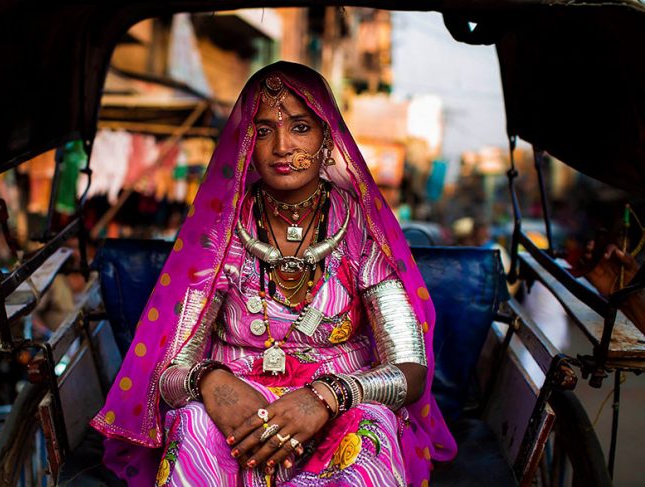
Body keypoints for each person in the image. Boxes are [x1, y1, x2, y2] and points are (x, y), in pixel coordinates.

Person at [91, 62, 456, 487]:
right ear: (246, 143)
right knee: (190, 422)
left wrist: (328, 397)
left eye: (300, 127)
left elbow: (410, 370)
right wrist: (212, 383)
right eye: (263, 131)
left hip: (340, 410)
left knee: (371, 428)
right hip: (238, 415)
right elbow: (168, 371)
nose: (282, 146)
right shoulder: (220, 230)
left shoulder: (360, 228)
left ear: (327, 137)